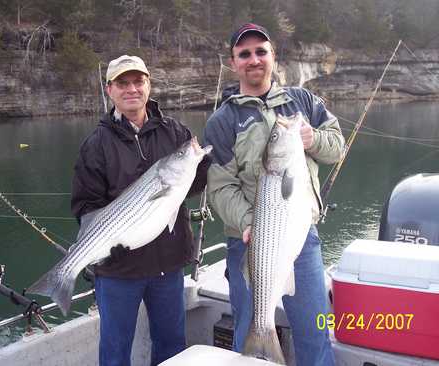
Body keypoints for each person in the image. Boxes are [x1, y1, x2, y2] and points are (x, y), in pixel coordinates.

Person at [203, 23, 345, 366]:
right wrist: (250, 222)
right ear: (233, 62)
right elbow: (220, 186)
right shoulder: (222, 121)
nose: (254, 60)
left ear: (273, 56)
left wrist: (314, 140)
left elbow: (337, 146)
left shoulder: (303, 101)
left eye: (261, 51)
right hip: (249, 242)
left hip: (302, 238)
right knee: (247, 329)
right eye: (245, 54)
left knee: (314, 332)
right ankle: (257, 347)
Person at [71, 55, 210, 366]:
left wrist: (202, 165)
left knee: (171, 346)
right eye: (123, 83)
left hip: (168, 266)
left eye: (138, 81)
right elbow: (85, 206)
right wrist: (106, 238)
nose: (131, 89)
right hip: (118, 270)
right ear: (110, 90)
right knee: (115, 351)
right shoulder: (95, 145)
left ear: (149, 85)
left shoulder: (175, 132)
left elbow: (194, 186)